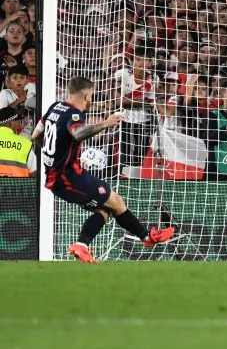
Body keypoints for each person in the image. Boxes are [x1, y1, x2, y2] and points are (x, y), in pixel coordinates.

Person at [31, 76, 174, 263]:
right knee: (115, 201)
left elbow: (35, 136)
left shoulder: (54, 107)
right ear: (86, 95)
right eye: (91, 96)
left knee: (106, 209)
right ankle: (147, 238)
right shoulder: (74, 114)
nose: (91, 100)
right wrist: (106, 123)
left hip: (62, 176)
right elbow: (78, 133)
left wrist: (55, 153)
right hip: (67, 177)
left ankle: (82, 246)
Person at [0, 106, 34, 176]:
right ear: (10, 123)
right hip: (18, 186)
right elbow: (35, 171)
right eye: (16, 121)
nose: (18, 124)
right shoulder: (25, 143)